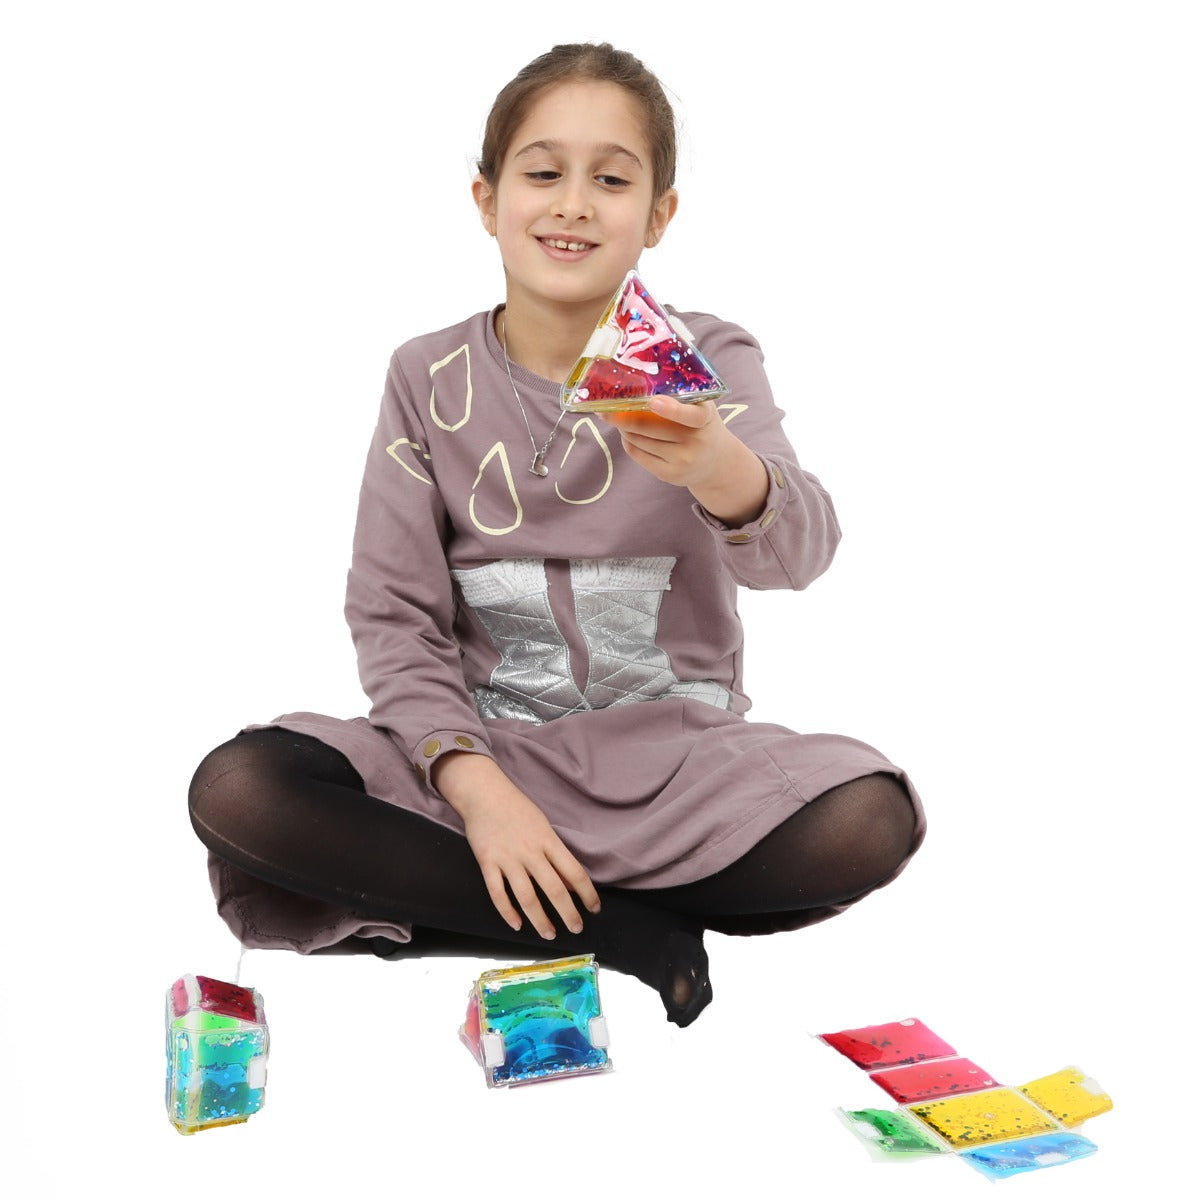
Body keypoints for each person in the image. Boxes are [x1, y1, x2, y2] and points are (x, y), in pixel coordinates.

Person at [188, 42, 925, 1028]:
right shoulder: (426, 374)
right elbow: (394, 618)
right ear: (488, 201)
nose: (574, 203)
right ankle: (624, 932)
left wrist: (719, 467)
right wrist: (484, 798)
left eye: (611, 179)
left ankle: (491, 903)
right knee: (244, 792)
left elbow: (801, 555)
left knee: (869, 817)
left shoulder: (704, 356)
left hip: (677, 773)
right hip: (477, 761)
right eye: (543, 173)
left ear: (658, 214)